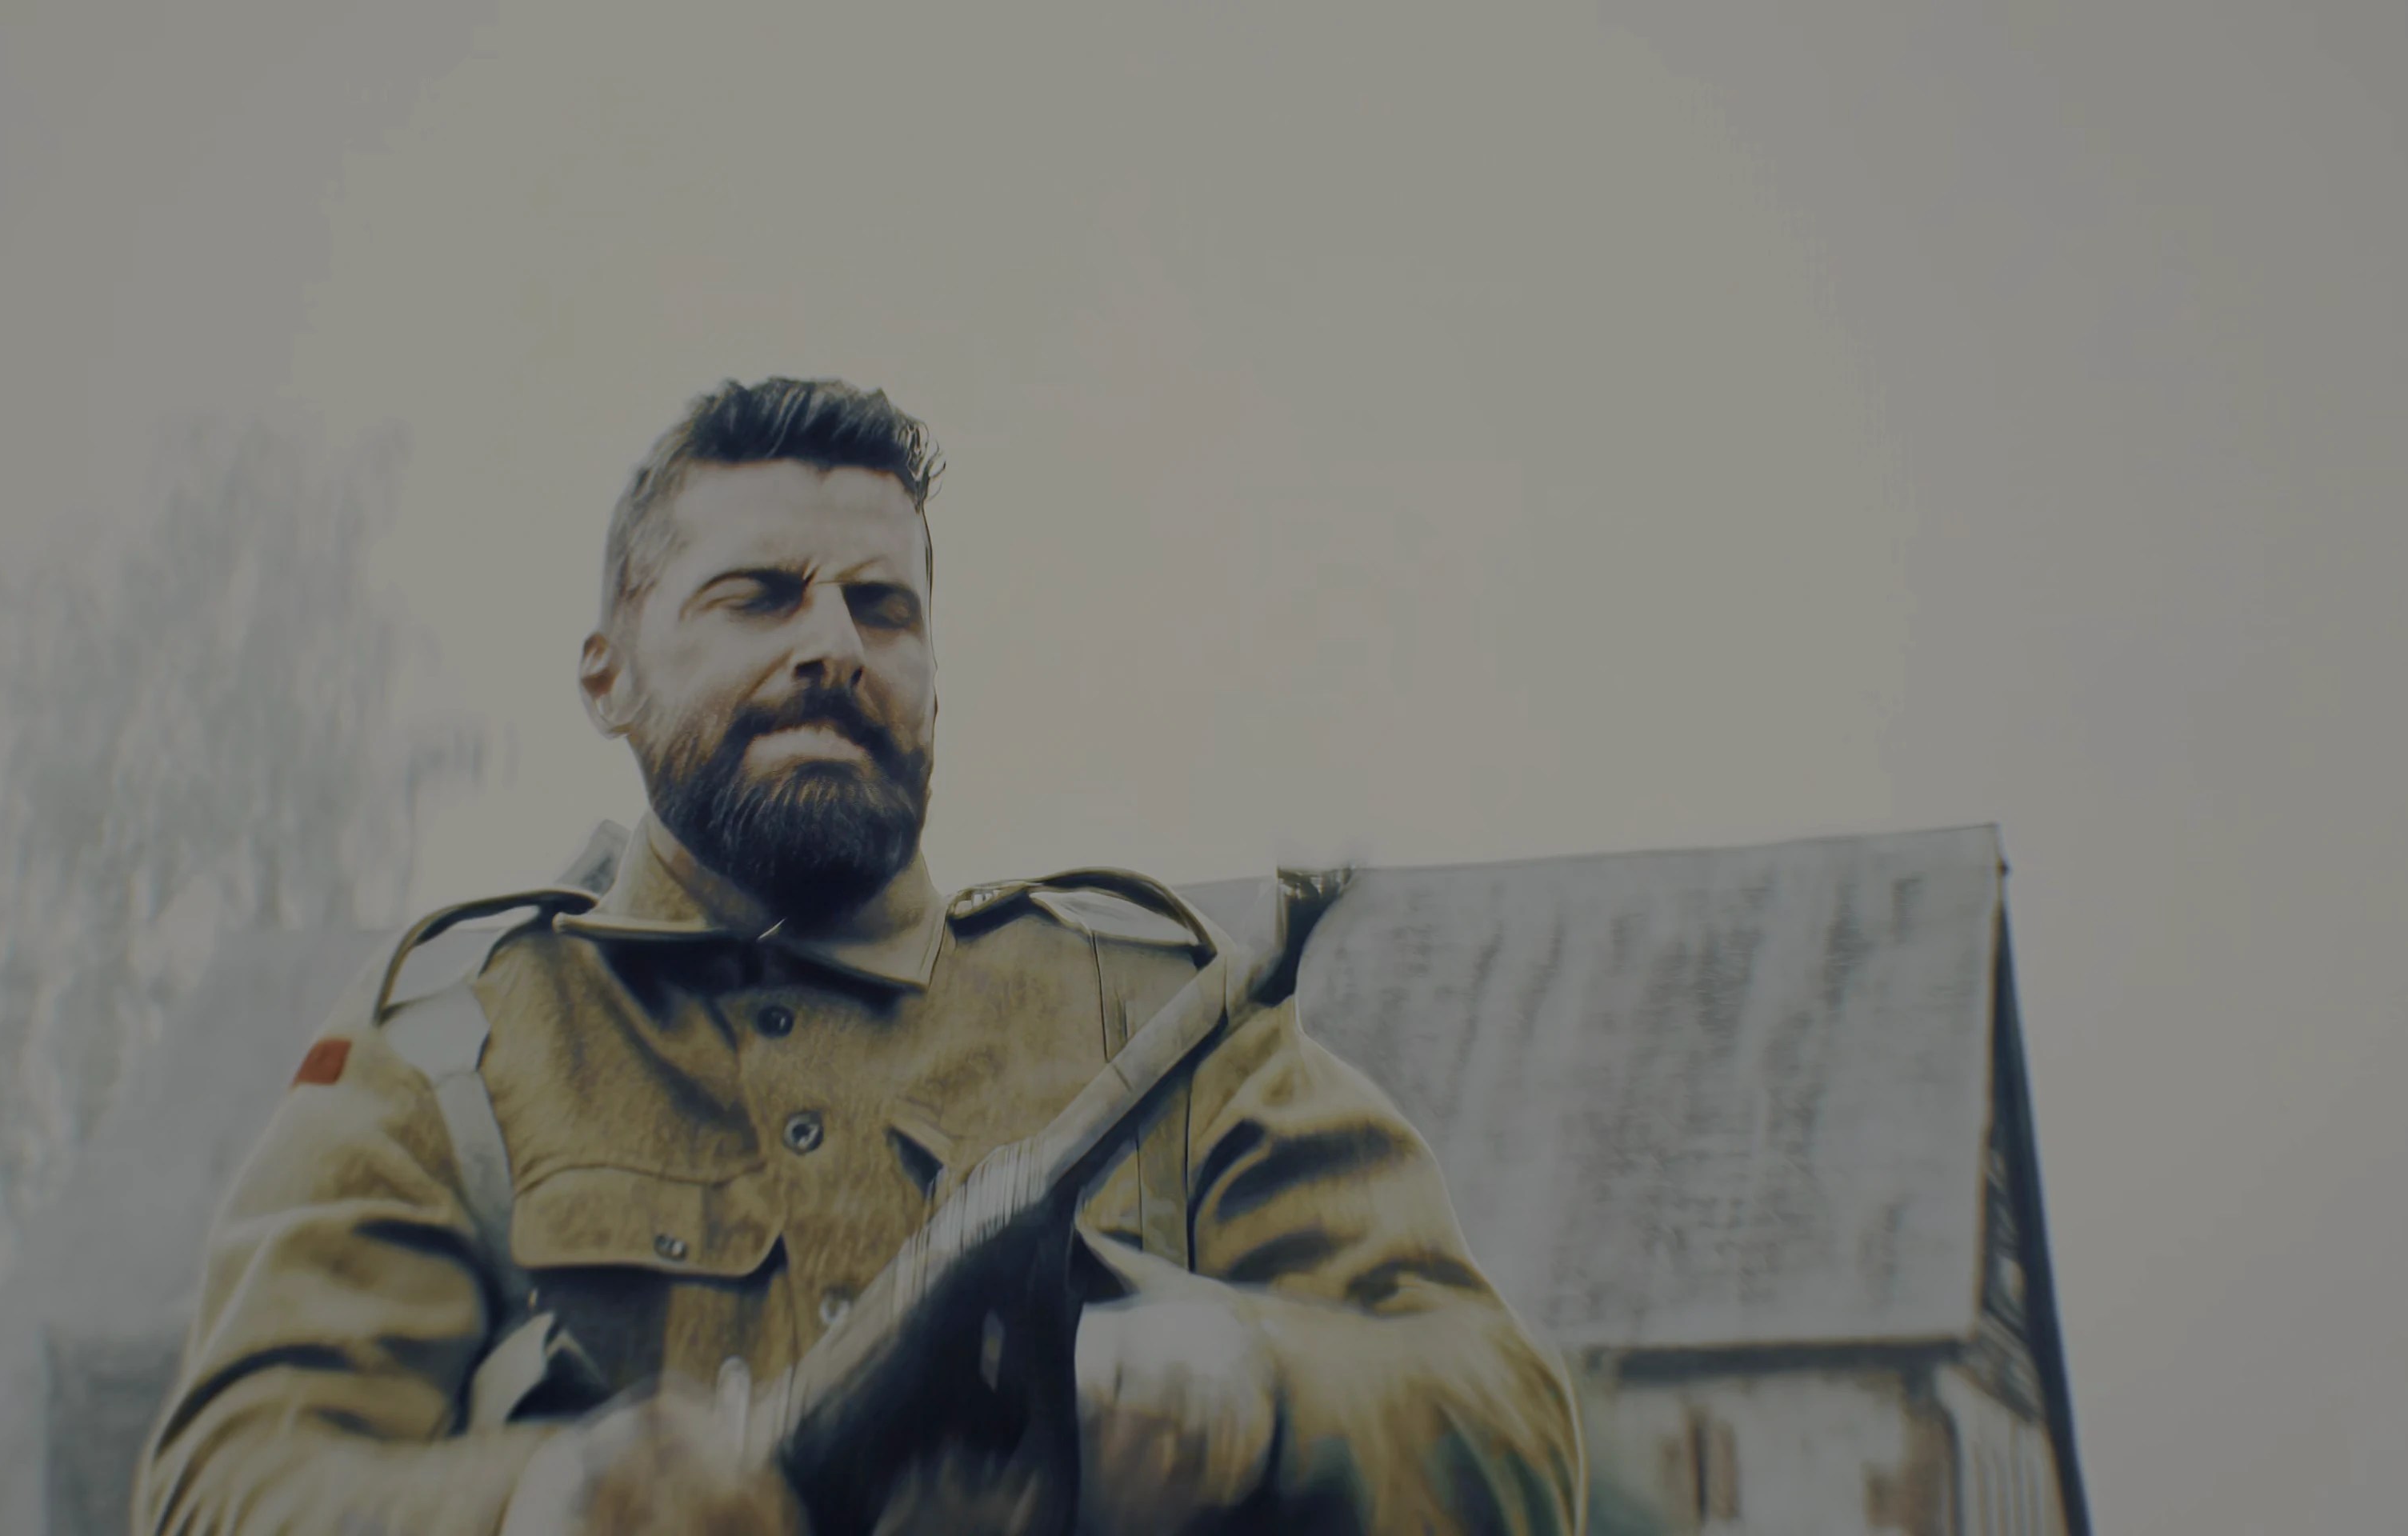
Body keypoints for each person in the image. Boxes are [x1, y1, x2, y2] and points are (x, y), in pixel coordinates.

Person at [132, 378, 1582, 1535]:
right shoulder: (451, 1056)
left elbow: (1512, 1433)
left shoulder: (1161, 1019)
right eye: (758, 596)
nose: (832, 643)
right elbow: (228, 1489)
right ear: (607, 677)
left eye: (883, 608)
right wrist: (536, 1503)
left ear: (934, 677)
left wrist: (1260, 1391)